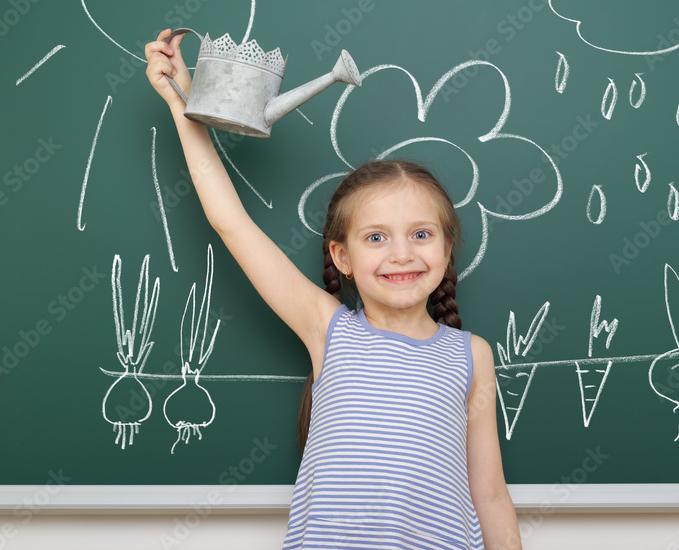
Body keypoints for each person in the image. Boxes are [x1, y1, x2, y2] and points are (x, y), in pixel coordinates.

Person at [145, 29, 522, 549]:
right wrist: (183, 102)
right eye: (375, 238)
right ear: (342, 257)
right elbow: (230, 221)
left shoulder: (470, 356)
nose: (402, 254)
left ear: (446, 249)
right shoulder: (330, 330)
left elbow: (491, 495)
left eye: (421, 234)